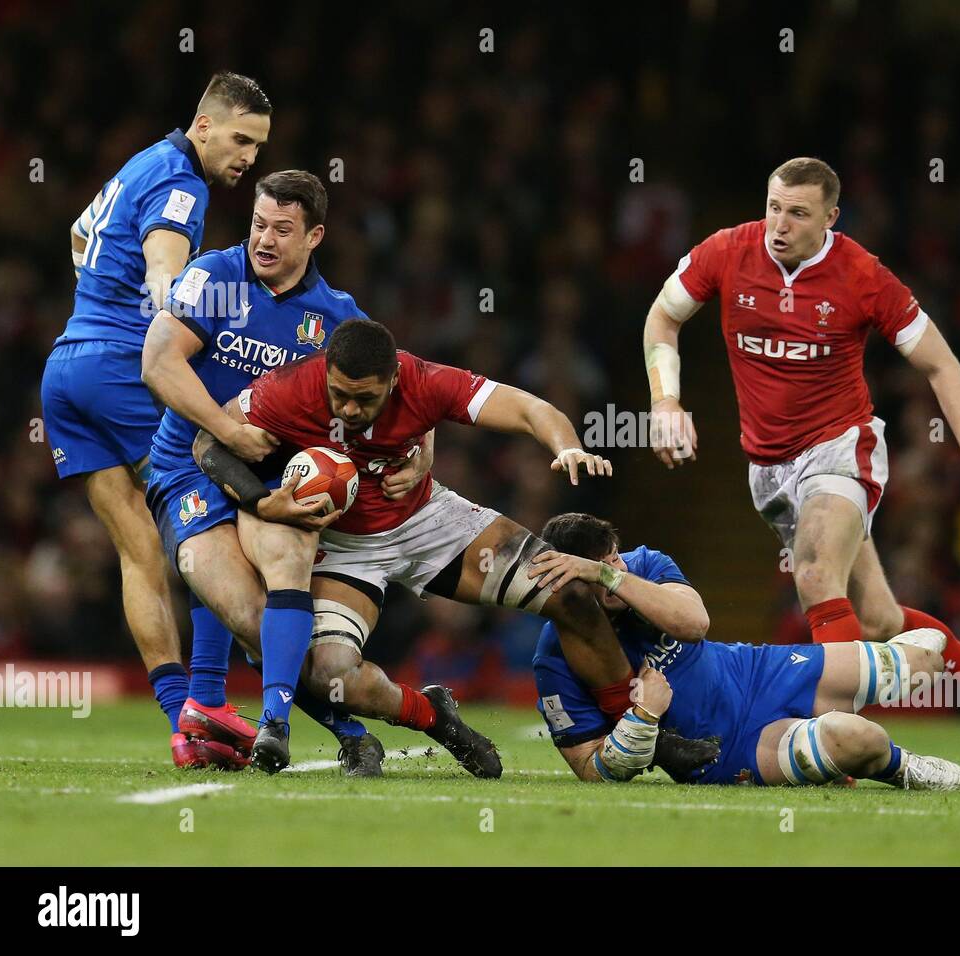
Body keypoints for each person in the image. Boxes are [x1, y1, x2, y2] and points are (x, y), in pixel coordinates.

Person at [640, 156, 960, 773]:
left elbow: (939, 363)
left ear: (830, 217)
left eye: (798, 213)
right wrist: (665, 400)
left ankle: (848, 743)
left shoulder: (861, 275)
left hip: (839, 447)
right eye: (774, 206)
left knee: (812, 577)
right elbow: (663, 317)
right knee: (879, 619)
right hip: (769, 468)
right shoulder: (726, 251)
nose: (779, 224)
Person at [192, 319, 722, 776]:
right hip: (345, 547)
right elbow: (208, 441)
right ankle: (432, 713)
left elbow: (529, 408)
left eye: (366, 398)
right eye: (340, 395)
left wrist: (567, 446)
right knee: (331, 675)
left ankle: (650, 736)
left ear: (395, 379)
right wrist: (263, 503)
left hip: (428, 521)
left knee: (570, 592)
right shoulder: (290, 388)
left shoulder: (425, 380)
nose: (350, 409)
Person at [142, 169, 448, 775]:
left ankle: (268, 724)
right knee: (251, 617)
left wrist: (423, 454)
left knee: (284, 605)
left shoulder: (334, 316)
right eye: (259, 224)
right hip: (188, 468)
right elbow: (158, 364)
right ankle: (355, 730)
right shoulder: (214, 276)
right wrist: (229, 431)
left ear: (314, 237)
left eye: (283, 229)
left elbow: (404, 387)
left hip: (273, 480)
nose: (265, 240)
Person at [39, 73, 272, 766]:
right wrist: (175, 311)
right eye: (239, 140)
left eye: (257, 147)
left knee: (139, 549)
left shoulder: (139, 163)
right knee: (209, 515)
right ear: (203, 125)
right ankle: (210, 699)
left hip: (66, 371)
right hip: (120, 367)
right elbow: (164, 267)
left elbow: (81, 241)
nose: (248, 159)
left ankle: (184, 722)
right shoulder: (182, 183)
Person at [528, 513, 960, 788]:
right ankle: (902, 769)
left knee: (927, 657)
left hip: (755, 670)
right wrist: (644, 720)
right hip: (731, 747)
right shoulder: (555, 657)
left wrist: (610, 576)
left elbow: (695, 623)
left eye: (615, 558)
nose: (617, 569)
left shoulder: (643, 565)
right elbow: (588, 766)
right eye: (600, 568)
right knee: (859, 737)